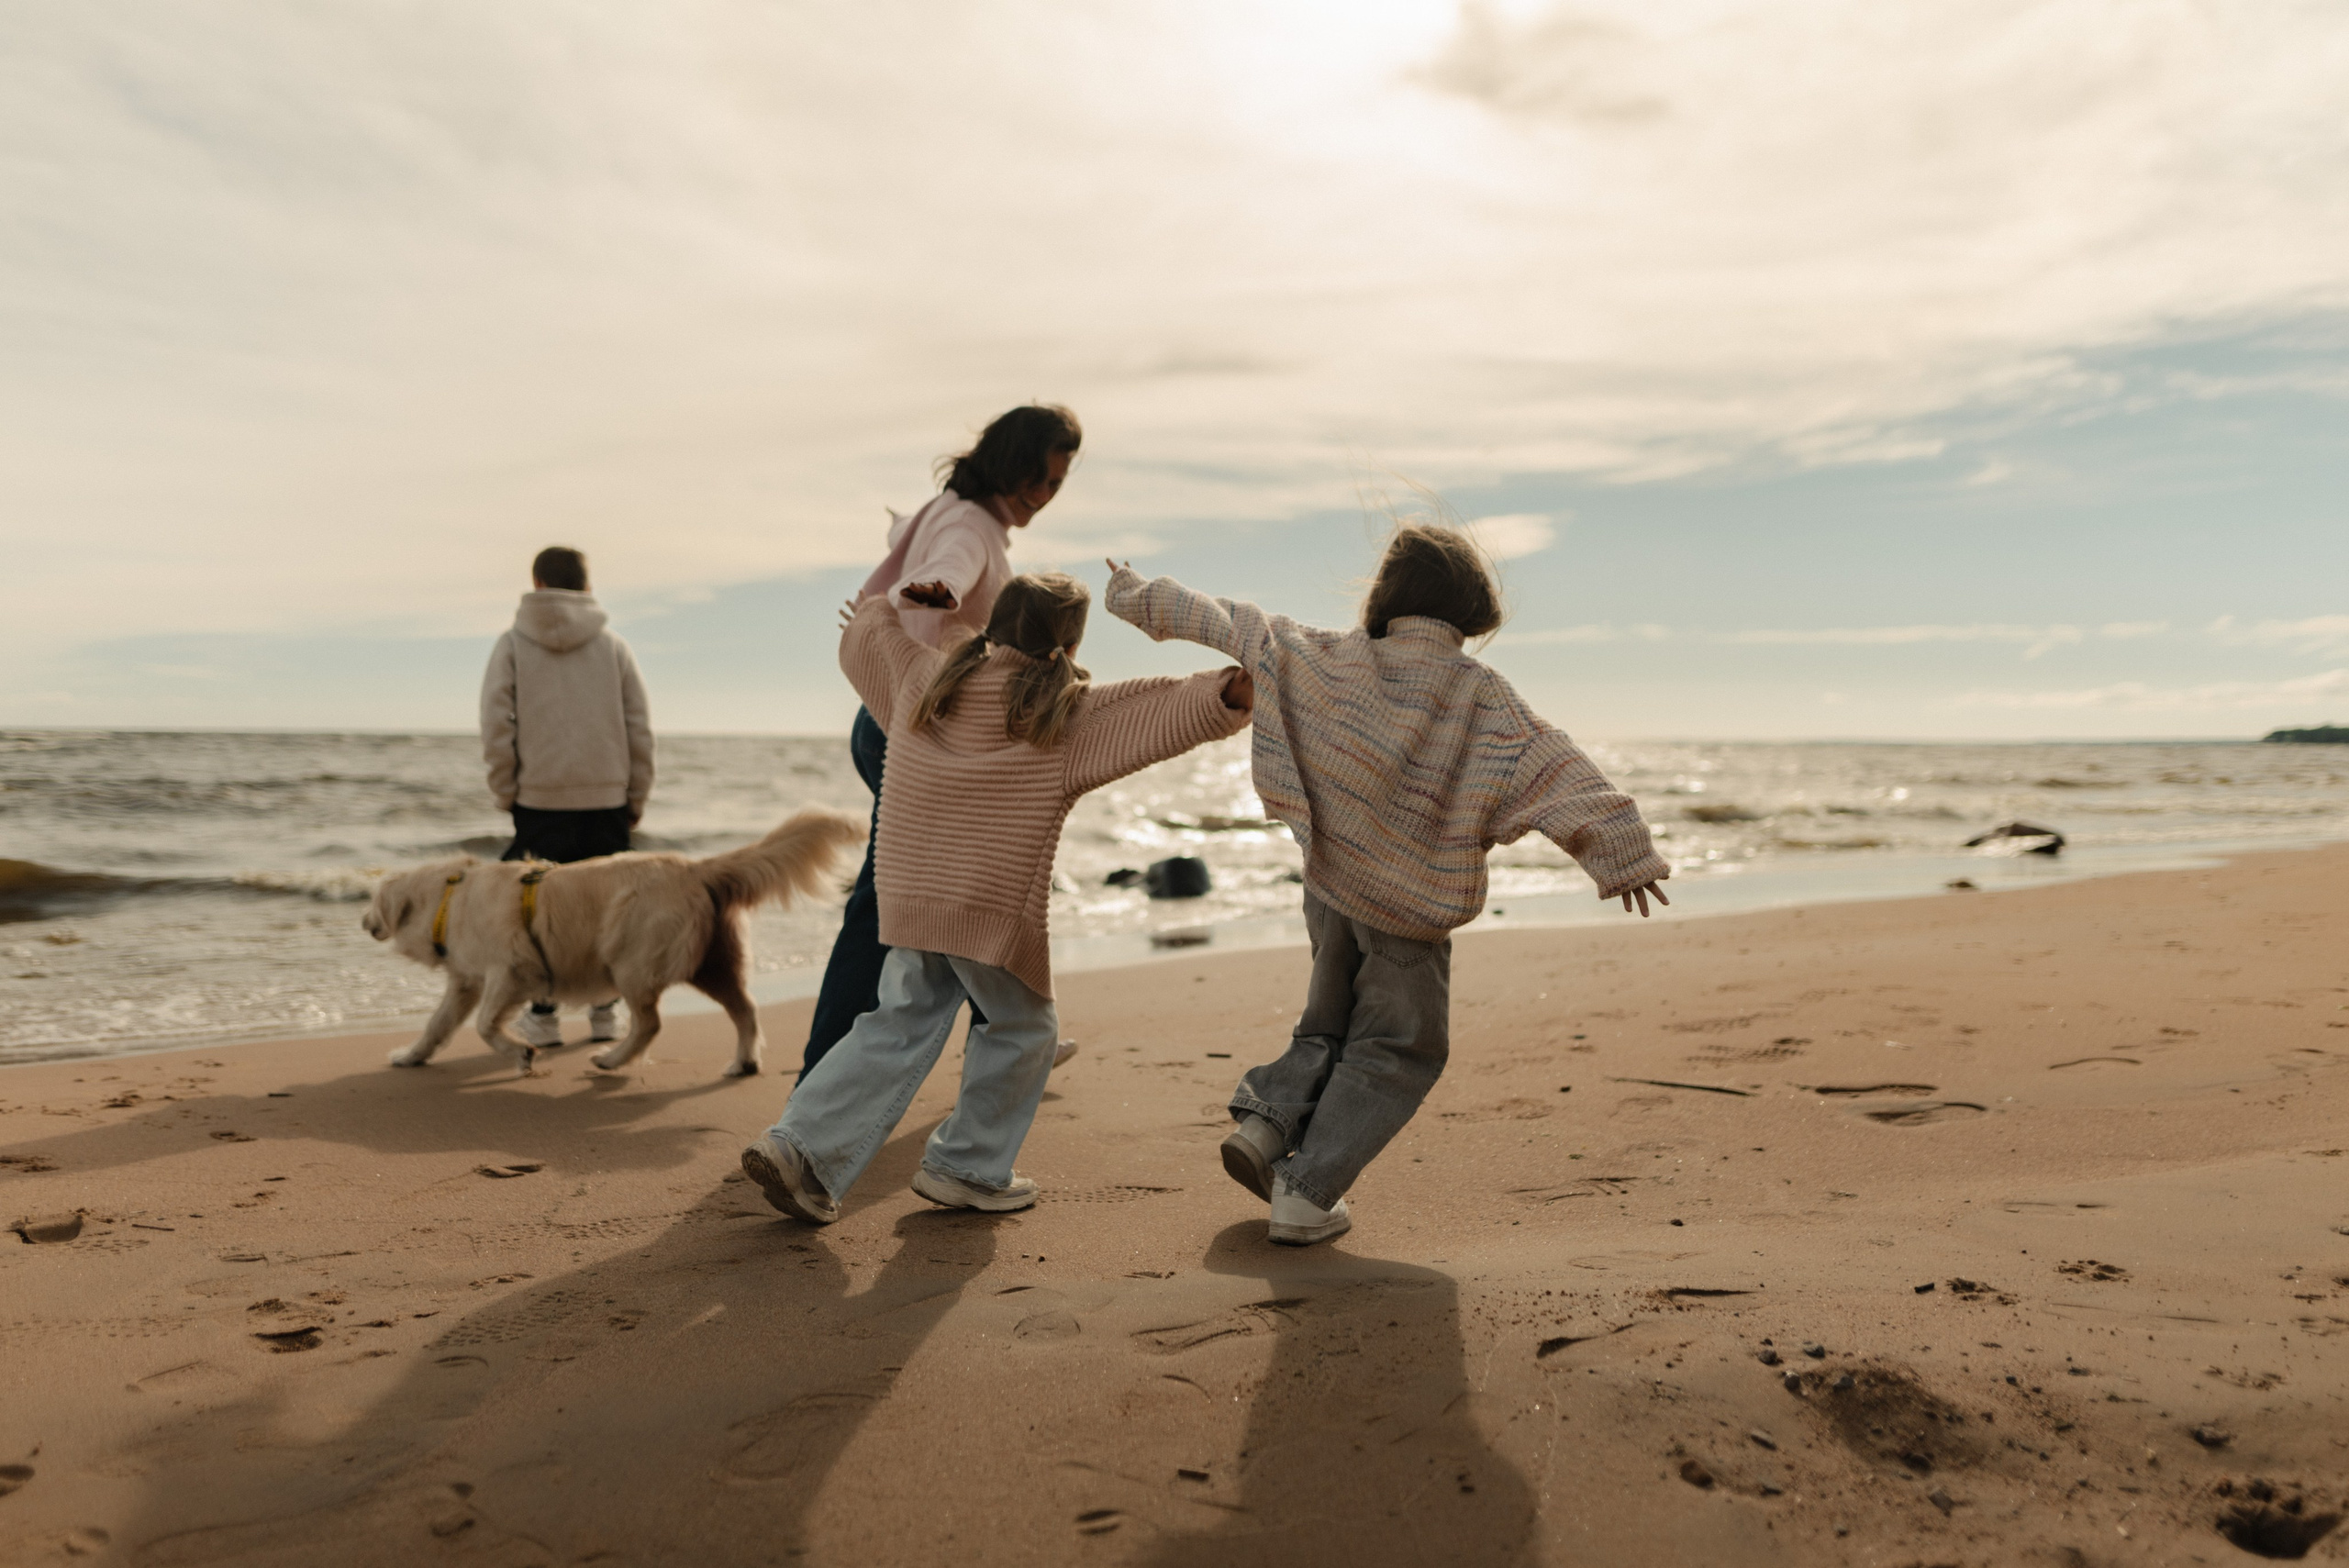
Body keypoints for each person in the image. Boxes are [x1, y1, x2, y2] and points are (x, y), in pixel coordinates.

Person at [1104, 525, 1670, 1245]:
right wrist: (1624, 853)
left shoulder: (1328, 653)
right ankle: (1306, 1195)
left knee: (1326, 1024)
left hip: (1332, 889)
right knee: (1398, 1049)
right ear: (1472, 605)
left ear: (1388, 595)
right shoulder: (1484, 696)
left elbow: (1230, 622)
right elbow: (1558, 770)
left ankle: (1266, 1123)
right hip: (1407, 909)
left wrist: (1135, 593)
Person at [741, 572, 1252, 1221]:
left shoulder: (925, 680)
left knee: (894, 1024)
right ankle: (969, 1165)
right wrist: (1235, 688)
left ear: (993, 626)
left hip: (911, 897)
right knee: (1023, 1026)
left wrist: (893, 603)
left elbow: (867, 640)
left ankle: (799, 1145)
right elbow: (1163, 708)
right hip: (986, 909)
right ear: (1067, 647)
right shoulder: (1063, 714)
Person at [801, 405, 1084, 1083]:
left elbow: (910, 569)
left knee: (965, 879)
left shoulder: (952, 510)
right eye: (1037, 478)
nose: (1042, 496)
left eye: (1056, 484)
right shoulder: (970, 525)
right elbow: (931, 588)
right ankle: (829, 1070)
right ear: (1007, 461)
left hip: (897, 725)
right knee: (908, 893)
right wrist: (921, 679)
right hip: (913, 729)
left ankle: (1008, 1030)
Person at [479, 544, 655, 1050]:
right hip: (607, 797)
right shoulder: (613, 647)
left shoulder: (511, 644)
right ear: (587, 588)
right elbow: (638, 727)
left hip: (538, 798)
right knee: (609, 910)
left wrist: (506, 789)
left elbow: (495, 725)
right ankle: (605, 1012)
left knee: (539, 915)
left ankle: (543, 1015)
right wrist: (636, 793)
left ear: (536, 585)